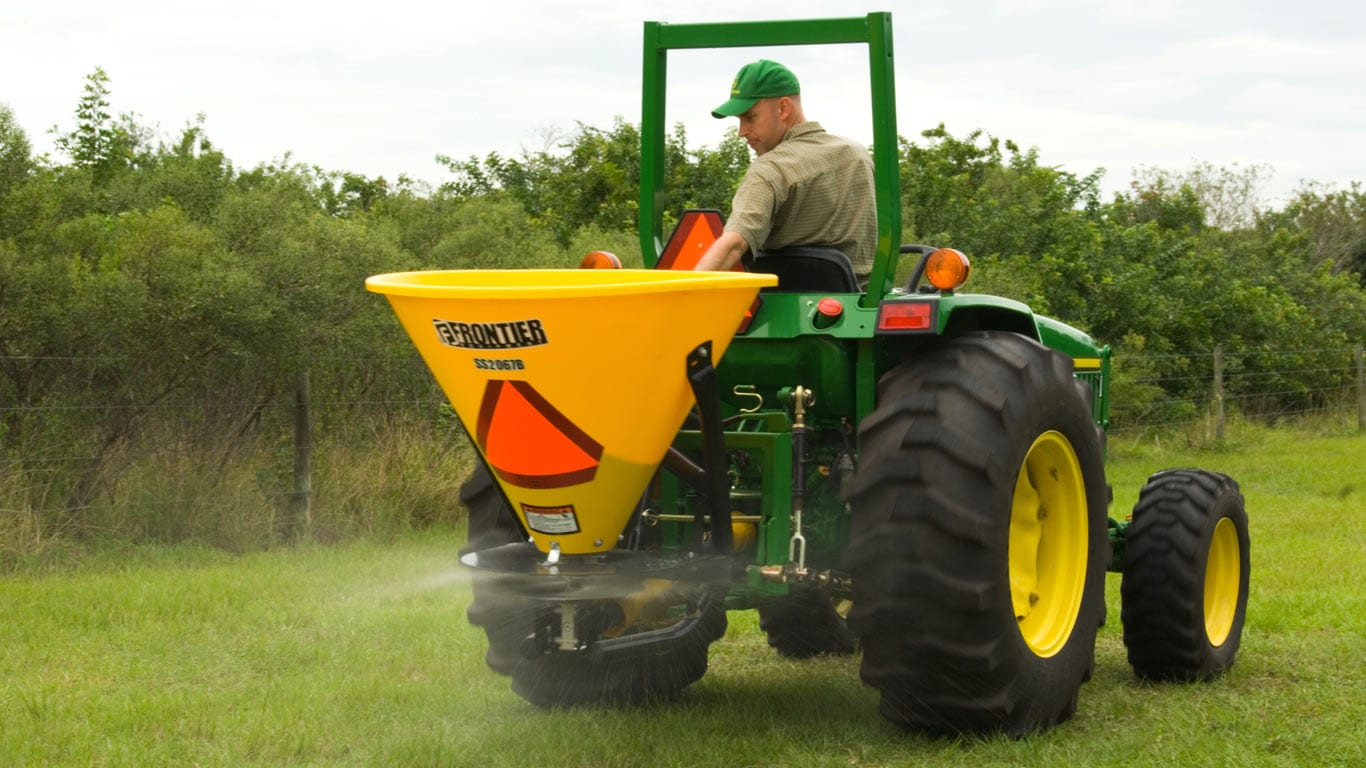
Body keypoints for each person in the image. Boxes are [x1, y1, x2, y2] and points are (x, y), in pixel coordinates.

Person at [693, 59, 877, 289]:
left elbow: (735, 243)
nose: (742, 132)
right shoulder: (857, 155)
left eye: (750, 117)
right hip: (857, 305)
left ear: (783, 108)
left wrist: (682, 296)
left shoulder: (771, 168)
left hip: (778, 306)